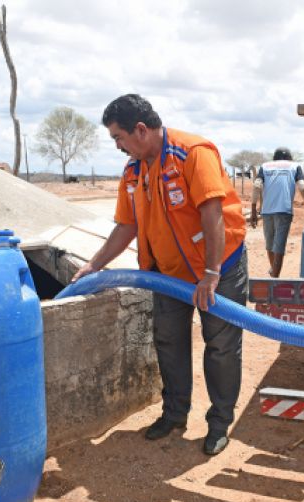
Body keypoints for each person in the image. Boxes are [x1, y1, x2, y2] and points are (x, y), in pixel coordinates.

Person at [72, 94, 247, 456]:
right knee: (169, 341)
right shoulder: (133, 172)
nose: (118, 146)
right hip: (167, 275)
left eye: (118, 137)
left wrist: (211, 274)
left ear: (140, 129)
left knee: (221, 347)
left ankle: (219, 423)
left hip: (218, 269)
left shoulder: (192, 153)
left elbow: (212, 213)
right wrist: (95, 265)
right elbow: (126, 226)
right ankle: (174, 414)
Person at [250, 148, 304, 277]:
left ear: (274, 158)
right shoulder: (295, 166)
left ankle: (274, 272)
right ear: (289, 158)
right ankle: (275, 276)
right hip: (284, 210)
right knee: (279, 245)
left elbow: (256, 186)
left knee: (270, 243)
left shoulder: (265, 166)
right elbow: (302, 186)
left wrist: (253, 210)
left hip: (267, 211)